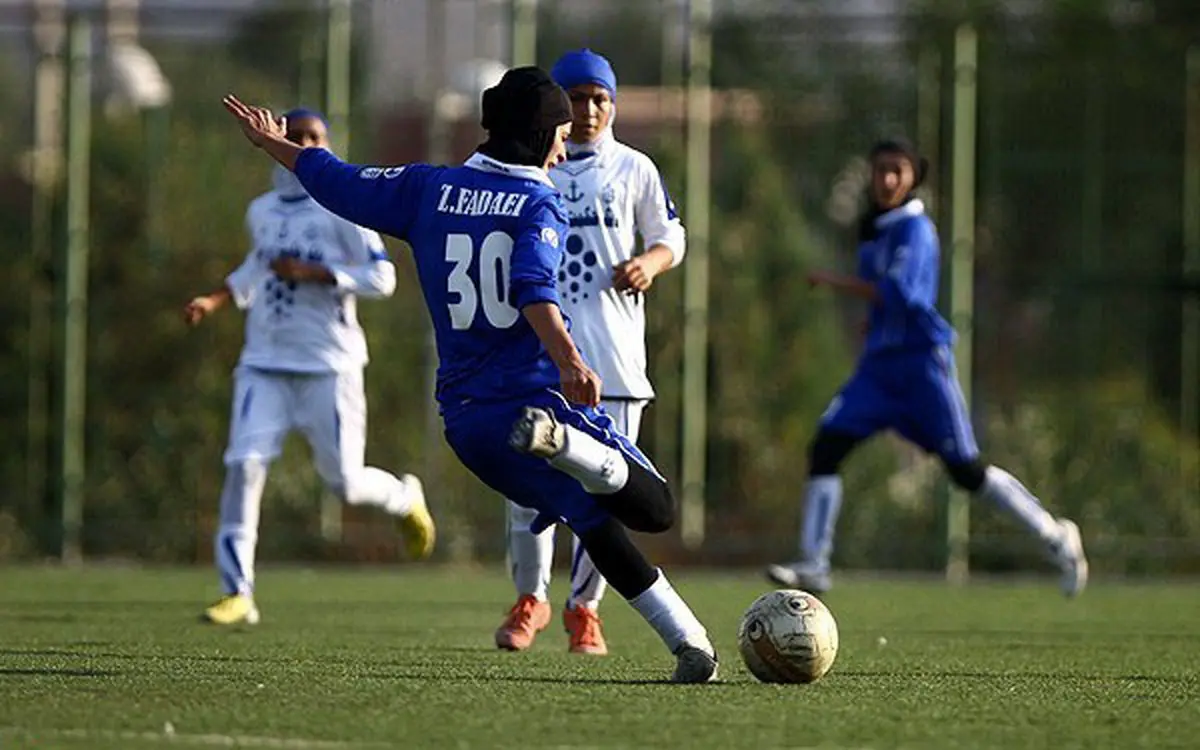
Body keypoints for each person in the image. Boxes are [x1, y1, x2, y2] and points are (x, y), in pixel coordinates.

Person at [221, 66, 719, 682]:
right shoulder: (540, 201)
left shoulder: (428, 188)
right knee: (657, 508)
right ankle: (567, 446)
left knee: (595, 523)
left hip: (468, 422)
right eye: (560, 136)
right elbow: (533, 288)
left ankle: (692, 645)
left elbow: (337, 181)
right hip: (536, 400)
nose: (563, 150)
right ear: (538, 136)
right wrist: (571, 361)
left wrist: (274, 144)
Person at [765, 138, 1089, 598]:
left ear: (914, 177)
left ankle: (1056, 538)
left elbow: (900, 294)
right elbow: (883, 302)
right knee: (826, 447)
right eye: (880, 169)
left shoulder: (916, 230)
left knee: (966, 471)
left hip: (921, 368)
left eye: (897, 170)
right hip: (878, 370)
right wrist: (869, 322)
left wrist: (833, 281)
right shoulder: (876, 229)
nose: (888, 179)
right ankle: (814, 564)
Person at [184, 108, 435, 626]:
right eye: (294, 136)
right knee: (244, 465)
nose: (303, 144)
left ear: (328, 144)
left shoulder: (344, 208)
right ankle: (237, 591)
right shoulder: (262, 210)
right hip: (265, 362)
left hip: (329, 365)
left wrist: (317, 272)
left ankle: (403, 496)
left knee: (345, 483)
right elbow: (257, 265)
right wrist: (215, 299)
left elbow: (382, 278)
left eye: (313, 137)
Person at [495, 49, 686, 656]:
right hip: (537, 359)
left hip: (614, 364)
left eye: (600, 99)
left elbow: (671, 235)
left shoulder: (634, 168)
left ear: (614, 105)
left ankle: (585, 610)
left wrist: (651, 262)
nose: (589, 110)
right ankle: (530, 598)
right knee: (525, 488)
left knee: (605, 492)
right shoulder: (530, 170)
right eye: (576, 99)